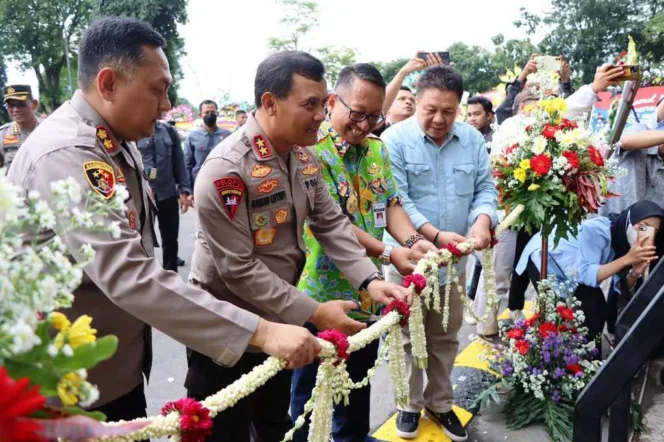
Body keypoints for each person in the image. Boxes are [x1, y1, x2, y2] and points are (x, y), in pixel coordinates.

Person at [6, 17, 321, 424]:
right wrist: (262, 332)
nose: (167, 105)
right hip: (66, 391)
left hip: (106, 374)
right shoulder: (68, 153)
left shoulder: (114, 142)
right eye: (158, 89)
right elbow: (130, 274)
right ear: (108, 84)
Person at [188, 51, 411, 442]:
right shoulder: (227, 169)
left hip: (281, 323)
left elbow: (330, 222)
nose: (321, 116)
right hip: (226, 332)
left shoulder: (303, 155)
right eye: (310, 105)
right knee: (227, 431)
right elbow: (237, 269)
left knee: (276, 425)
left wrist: (370, 282)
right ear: (270, 103)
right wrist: (315, 313)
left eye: (322, 104)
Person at [291, 63, 457, 442]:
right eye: (358, 114)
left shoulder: (376, 151)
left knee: (358, 373)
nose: (365, 124)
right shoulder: (309, 153)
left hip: (367, 289)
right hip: (316, 291)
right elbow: (330, 222)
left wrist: (414, 243)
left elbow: (392, 204)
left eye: (374, 116)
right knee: (309, 386)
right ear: (333, 102)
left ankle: (351, 437)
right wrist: (389, 252)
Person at [382, 65, 498, 441]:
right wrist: (432, 234)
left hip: (455, 263)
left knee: (446, 336)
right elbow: (397, 200)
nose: (439, 119)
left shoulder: (472, 140)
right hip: (410, 264)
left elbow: (485, 188)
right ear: (415, 101)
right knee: (408, 338)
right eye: (431, 109)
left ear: (460, 107)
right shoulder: (394, 140)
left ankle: (441, 402)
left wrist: (482, 220)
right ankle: (409, 405)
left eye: (449, 111)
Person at [515, 201, 664, 342]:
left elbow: (620, 286)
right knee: (555, 318)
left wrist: (635, 273)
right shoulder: (598, 231)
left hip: (575, 270)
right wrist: (627, 259)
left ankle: (591, 360)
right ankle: (552, 361)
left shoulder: (624, 243)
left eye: (654, 231)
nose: (646, 235)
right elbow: (589, 275)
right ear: (629, 221)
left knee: (596, 308)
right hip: (545, 258)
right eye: (642, 227)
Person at [137, 120, 193, 271]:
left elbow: (179, 161)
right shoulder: (132, 128)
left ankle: (171, 276)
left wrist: (184, 189)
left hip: (167, 193)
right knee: (142, 239)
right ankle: (146, 278)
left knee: (170, 239)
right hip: (143, 194)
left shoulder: (169, 131)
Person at [373, 53, 444, 137]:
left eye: (412, 100)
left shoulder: (422, 134)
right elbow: (378, 109)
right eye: (402, 99)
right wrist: (403, 73)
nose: (408, 102)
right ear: (389, 106)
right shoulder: (378, 129)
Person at [184, 99, 231, 189]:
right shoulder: (192, 137)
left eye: (212, 112)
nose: (210, 115)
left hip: (222, 184)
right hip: (199, 184)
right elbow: (187, 164)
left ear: (217, 113)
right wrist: (188, 189)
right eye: (206, 112)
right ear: (200, 114)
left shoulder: (228, 135)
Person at [0, 84, 40, 170]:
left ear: (34, 104)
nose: (15, 110)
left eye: (21, 104)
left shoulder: (49, 128)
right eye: (10, 106)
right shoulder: (3, 135)